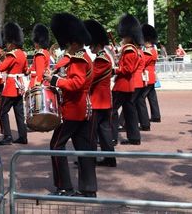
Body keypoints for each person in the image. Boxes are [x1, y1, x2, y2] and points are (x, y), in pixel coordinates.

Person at [44, 12, 96, 197]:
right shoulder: (81, 56)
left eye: (67, 43)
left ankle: (64, 186)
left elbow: (76, 84)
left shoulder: (78, 59)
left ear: (73, 41)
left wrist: (55, 80)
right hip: (83, 109)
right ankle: (89, 190)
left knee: (56, 145)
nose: (65, 46)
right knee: (84, 150)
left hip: (73, 109)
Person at [84, 19, 116, 167]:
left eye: (91, 45)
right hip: (103, 101)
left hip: (98, 102)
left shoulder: (101, 60)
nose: (90, 48)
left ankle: (89, 159)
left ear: (97, 43)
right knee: (104, 132)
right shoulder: (103, 58)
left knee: (91, 133)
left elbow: (90, 78)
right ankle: (109, 159)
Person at [111, 14, 143, 145]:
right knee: (130, 112)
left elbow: (127, 69)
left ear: (129, 35)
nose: (122, 38)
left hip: (122, 85)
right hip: (128, 85)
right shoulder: (132, 49)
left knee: (111, 110)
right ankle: (134, 137)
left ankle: (111, 138)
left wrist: (113, 70)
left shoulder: (129, 50)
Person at [0, 22, 28, 145]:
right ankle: (23, 136)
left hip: (10, 87)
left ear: (12, 42)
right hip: (19, 86)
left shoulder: (12, 55)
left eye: (8, 43)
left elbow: (2, 68)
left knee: (3, 112)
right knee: (19, 113)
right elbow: (25, 70)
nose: (6, 45)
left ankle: (7, 136)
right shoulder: (22, 54)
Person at [140, 24, 162, 123]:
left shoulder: (149, 52)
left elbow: (142, 63)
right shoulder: (153, 50)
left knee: (140, 98)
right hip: (152, 76)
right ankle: (156, 116)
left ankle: (143, 121)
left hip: (147, 77)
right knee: (152, 97)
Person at [28, 23, 51, 88]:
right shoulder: (46, 52)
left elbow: (39, 72)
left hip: (37, 84)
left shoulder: (40, 54)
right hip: (45, 83)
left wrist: (36, 85)